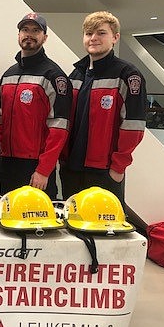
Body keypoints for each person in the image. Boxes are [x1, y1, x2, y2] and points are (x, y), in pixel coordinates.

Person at [60, 11, 146, 203]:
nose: (94, 38)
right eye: (89, 33)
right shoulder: (76, 74)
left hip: (104, 171)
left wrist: (118, 167)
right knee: (72, 224)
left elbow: (134, 126)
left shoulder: (128, 75)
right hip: (71, 168)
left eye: (101, 33)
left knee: (104, 228)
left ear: (115, 37)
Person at [0, 12, 72, 200]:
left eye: (36, 30)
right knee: (7, 219)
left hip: (35, 167)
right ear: (18, 35)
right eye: (25, 29)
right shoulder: (8, 75)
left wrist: (44, 169)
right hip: (7, 163)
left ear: (44, 37)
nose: (29, 34)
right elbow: (1, 119)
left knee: (38, 223)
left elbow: (60, 129)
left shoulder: (54, 76)